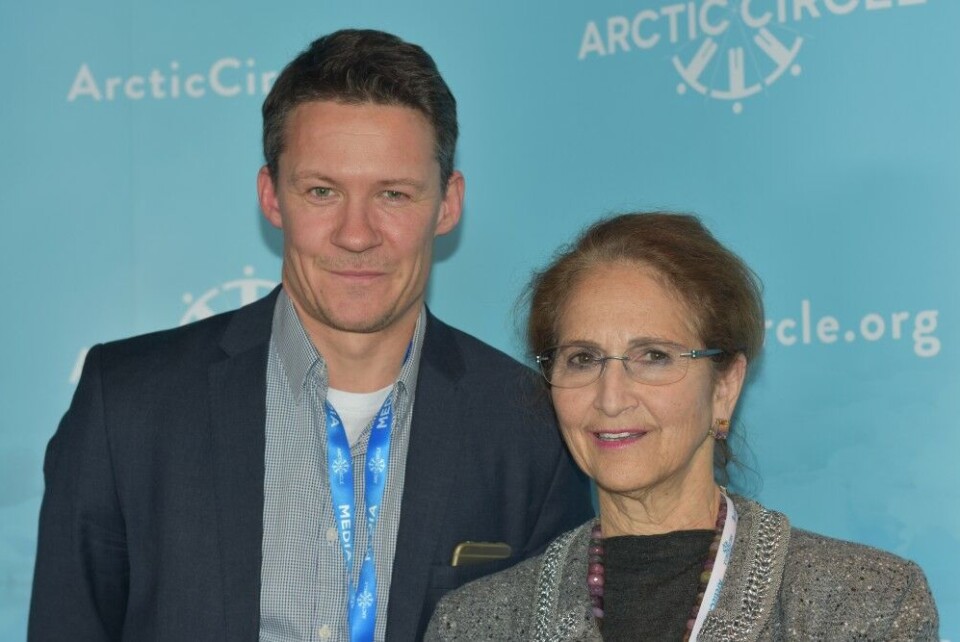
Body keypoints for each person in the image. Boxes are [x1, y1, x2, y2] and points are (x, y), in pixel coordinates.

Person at [29, 29, 591, 642]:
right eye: (322, 191)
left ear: (447, 204)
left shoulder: (529, 424)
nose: (356, 234)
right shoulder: (128, 406)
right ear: (272, 196)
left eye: (393, 194)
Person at [426, 213, 939, 641]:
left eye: (652, 356)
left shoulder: (866, 605)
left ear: (724, 386)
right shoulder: (474, 624)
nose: (611, 397)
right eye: (582, 358)